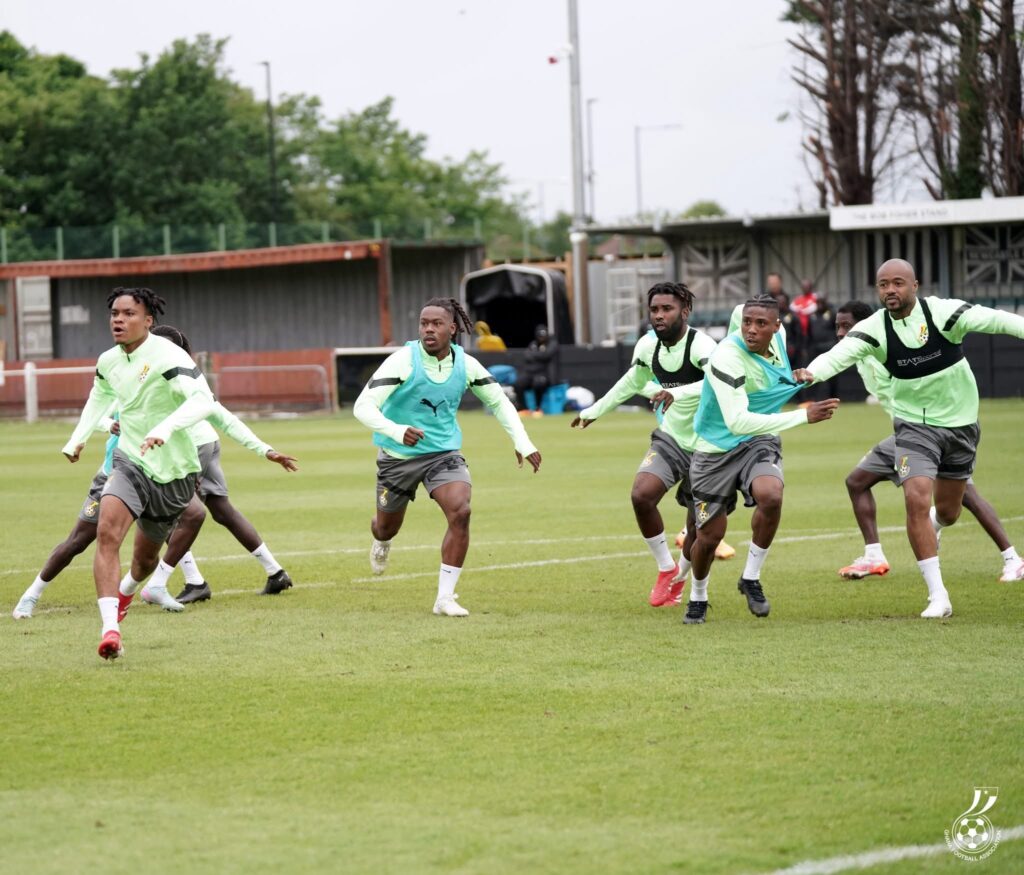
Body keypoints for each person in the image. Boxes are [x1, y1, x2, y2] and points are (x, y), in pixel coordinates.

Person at [795, 259, 1024, 618]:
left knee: (947, 512)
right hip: (914, 429)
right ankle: (938, 596)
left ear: (915, 285)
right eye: (883, 284)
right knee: (915, 497)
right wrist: (811, 373)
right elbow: (838, 355)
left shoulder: (943, 314)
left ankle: (939, 529)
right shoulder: (873, 329)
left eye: (898, 283)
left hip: (961, 426)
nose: (890, 290)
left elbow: (996, 319)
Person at [353, 297, 542, 617]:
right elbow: (363, 407)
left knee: (461, 510)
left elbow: (499, 402)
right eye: (424, 323)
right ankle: (381, 541)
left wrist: (523, 441)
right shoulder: (403, 360)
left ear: (452, 329)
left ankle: (445, 598)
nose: (428, 329)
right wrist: (397, 431)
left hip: (443, 454)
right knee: (386, 527)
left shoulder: (466, 364)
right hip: (398, 456)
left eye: (436, 323)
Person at [61, 287, 217, 659]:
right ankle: (109, 629)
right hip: (130, 462)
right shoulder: (108, 361)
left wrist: (165, 428)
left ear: (148, 320)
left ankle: (127, 594)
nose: (119, 319)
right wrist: (78, 438)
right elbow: (98, 397)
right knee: (107, 531)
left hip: (176, 472)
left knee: (144, 561)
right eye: (114, 312)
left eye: (129, 313)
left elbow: (203, 401)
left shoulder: (169, 356)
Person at [831, 301, 1023, 583]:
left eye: (846, 326)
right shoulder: (860, 356)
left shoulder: (884, 349)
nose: (839, 332)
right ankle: (874, 555)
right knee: (856, 482)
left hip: (927, 431)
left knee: (962, 496)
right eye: (837, 326)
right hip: (906, 433)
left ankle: (1012, 558)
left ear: (866, 324)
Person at [119, 324, 299, 612]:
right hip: (209, 443)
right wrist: (265, 450)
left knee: (169, 512)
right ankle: (275, 571)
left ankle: (190, 582)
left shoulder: (161, 371)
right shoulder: (187, 373)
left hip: (189, 450)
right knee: (222, 510)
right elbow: (224, 417)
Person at [682, 296, 839, 624]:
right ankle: (698, 594)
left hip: (759, 439)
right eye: (747, 323)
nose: (751, 330)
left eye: (761, 324)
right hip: (715, 448)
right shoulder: (726, 357)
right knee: (708, 537)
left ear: (777, 327)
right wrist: (803, 417)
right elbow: (738, 422)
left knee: (771, 494)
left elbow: (772, 382)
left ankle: (750, 577)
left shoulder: (779, 341)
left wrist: (794, 378)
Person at [570, 281, 724, 607]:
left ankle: (681, 580)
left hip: (711, 445)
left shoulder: (702, 346)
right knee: (641, 494)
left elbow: (716, 383)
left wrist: (675, 393)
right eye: (654, 309)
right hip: (671, 439)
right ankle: (666, 569)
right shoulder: (647, 346)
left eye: (666, 309)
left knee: (698, 526)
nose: (659, 315)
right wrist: (595, 411)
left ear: (685, 311)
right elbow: (633, 381)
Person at [514, 324, 559, 413]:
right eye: (539, 336)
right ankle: (524, 409)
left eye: (543, 336)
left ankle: (538, 409)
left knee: (538, 383)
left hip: (544, 374)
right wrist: (539, 355)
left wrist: (535, 354)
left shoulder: (552, 344)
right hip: (530, 373)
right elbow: (527, 355)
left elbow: (546, 355)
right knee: (518, 384)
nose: (541, 338)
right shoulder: (533, 344)